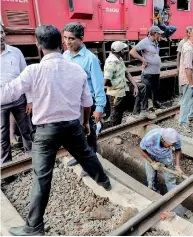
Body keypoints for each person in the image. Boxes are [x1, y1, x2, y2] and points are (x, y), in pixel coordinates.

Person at [3, 24, 111, 236]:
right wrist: (86, 122)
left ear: (38, 44)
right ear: (61, 43)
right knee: (86, 154)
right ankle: (104, 181)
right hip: (72, 125)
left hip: (45, 131)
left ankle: (34, 227)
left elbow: (7, 94)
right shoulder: (76, 70)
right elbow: (87, 101)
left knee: (42, 176)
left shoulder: (33, 71)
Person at [63, 22, 106, 154]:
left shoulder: (90, 59)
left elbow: (98, 85)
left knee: (89, 133)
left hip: (87, 103)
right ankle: (78, 158)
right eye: (65, 38)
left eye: (71, 38)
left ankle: (91, 162)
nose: (67, 42)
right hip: (71, 102)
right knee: (74, 132)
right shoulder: (65, 56)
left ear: (81, 38)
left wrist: (99, 108)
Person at [0, 24, 33, 164]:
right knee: (3, 136)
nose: (0, 36)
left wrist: (30, 100)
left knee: (27, 130)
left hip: (19, 100)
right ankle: (6, 166)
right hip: (0, 103)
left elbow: (26, 78)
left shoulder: (16, 52)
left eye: (1, 32)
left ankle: (32, 158)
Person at [104, 41, 156, 126]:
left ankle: (142, 112)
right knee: (116, 115)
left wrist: (135, 86)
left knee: (142, 87)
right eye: (123, 50)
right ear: (120, 51)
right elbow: (106, 81)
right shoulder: (111, 62)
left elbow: (126, 73)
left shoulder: (119, 59)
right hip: (116, 93)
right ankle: (114, 135)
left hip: (123, 88)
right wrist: (114, 86)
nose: (125, 51)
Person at [139, 128, 184, 193]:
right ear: (163, 140)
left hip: (165, 156)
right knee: (151, 177)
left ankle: (172, 194)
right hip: (150, 155)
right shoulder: (151, 138)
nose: (171, 147)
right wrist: (152, 162)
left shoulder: (176, 138)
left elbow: (178, 149)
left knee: (170, 177)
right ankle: (153, 190)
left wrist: (177, 166)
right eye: (170, 145)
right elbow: (141, 149)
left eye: (173, 145)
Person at [130, 26, 163, 109]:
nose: (160, 36)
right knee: (144, 91)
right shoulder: (144, 42)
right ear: (154, 34)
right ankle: (137, 110)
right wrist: (142, 59)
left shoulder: (155, 42)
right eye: (159, 34)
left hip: (156, 72)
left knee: (155, 90)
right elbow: (132, 52)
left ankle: (155, 105)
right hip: (148, 72)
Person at [178, 27, 193, 132]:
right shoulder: (188, 49)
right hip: (189, 80)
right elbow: (188, 68)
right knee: (186, 101)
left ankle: (192, 115)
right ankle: (183, 122)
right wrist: (192, 84)